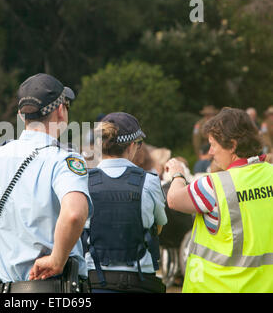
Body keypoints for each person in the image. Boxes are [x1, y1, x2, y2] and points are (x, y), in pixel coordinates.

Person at [0, 73, 93, 293]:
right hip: (56, 289)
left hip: (6, 288)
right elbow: (74, 213)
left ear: (20, 114)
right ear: (60, 111)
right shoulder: (64, 159)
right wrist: (57, 258)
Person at [165, 107, 273, 293]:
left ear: (232, 145)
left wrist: (177, 174)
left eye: (213, 145)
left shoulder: (214, 185)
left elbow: (174, 200)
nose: (211, 153)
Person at [83, 112, 167, 293]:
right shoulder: (149, 181)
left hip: (95, 280)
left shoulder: (84, 181)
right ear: (131, 146)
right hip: (139, 280)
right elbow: (159, 225)